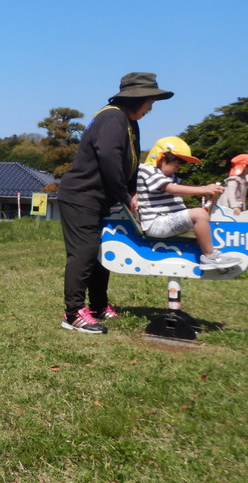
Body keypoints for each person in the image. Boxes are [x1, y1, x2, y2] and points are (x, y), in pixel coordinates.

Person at [57, 72, 173, 334]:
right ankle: (73, 313)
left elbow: (129, 163)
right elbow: (109, 158)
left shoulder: (129, 122)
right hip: (81, 196)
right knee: (84, 252)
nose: (151, 108)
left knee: (99, 252)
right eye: (150, 102)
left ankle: (97, 306)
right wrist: (124, 195)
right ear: (137, 99)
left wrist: (131, 192)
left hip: (100, 198)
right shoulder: (112, 117)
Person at [136, 137, 240, 268]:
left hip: (165, 221)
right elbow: (171, 188)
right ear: (162, 158)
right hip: (156, 223)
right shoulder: (148, 170)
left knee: (206, 216)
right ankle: (210, 256)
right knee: (199, 214)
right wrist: (204, 189)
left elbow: (184, 185)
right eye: (176, 166)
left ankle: (205, 246)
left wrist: (208, 188)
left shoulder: (166, 175)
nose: (177, 170)